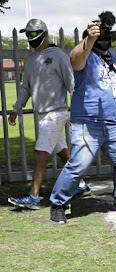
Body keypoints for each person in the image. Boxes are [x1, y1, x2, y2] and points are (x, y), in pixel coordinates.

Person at [48, 11, 116, 224]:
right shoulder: (85, 57)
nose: (104, 42)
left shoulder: (114, 59)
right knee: (78, 165)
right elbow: (75, 58)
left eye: (107, 38)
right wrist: (89, 38)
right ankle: (58, 203)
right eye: (100, 38)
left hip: (115, 123)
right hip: (87, 123)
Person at [8, 18, 87, 210]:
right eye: (27, 34)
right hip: (42, 115)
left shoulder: (58, 56)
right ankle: (82, 184)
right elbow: (25, 87)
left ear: (43, 33)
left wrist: (79, 110)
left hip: (56, 113)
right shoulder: (31, 59)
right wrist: (16, 109)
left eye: (33, 33)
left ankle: (33, 197)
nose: (29, 37)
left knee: (39, 153)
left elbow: (72, 83)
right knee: (62, 151)